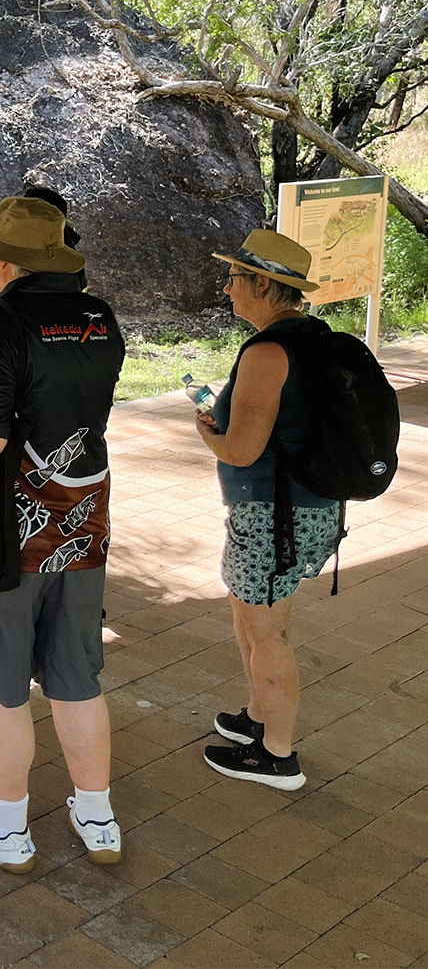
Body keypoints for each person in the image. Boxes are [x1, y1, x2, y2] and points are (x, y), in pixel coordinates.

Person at [0, 195, 126, 872]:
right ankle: (98, 818)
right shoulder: (102, 320)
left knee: (4, 683)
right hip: (85, 526)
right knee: (76, 676)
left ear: (5, 261)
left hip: (5, 536)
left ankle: (7, 826)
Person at [196, 230, 333, 791]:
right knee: (254, 617)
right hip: (304, 508)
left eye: (233, 278)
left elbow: (241, 449)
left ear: (261, 284)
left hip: (273, 515)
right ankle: (256, 717)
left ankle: (278, 757)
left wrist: (205, 430)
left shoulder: (267, 352)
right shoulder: (314, 338)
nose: (226, 289)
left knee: (268, 630)